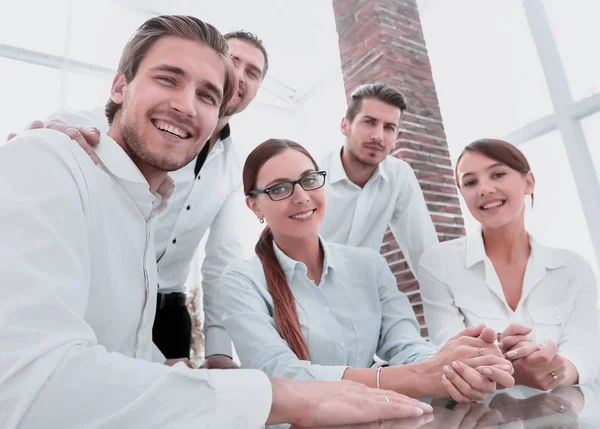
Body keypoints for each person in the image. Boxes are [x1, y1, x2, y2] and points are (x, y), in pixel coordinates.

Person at [0, 15, 433, 428]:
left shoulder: (151, 212)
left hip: (155, 311)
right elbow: (29, 381)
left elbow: (209, 267)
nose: (186, 105)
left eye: (208, 95)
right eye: (167, 78)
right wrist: (274, 395)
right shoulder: (57, 153)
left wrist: (200, 367)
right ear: (118, 86)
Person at [7, 30, 270, 368]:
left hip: (169, 308)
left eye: (253, 72)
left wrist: (218, 349)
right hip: (96, 293)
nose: (241, 76)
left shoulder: (237, 168)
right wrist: (36, 150)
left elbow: (221, 260)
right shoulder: (82, 128)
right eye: (234, 61)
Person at [217, 138, 515, 404]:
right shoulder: (241, 281)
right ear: (254, 205)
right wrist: (416, 377)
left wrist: (455, 367)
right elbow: (280, 375)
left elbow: (407, 345)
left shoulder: (369, 265)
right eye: (279, 188)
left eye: (309, 180)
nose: (301, 196)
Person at [418, 138, 600, 390]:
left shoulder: (573, 268)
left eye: (498, 174)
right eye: (470, 182)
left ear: (529, 182)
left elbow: (587, 347)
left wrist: (556, 371)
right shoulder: (438, 264)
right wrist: (508, 362)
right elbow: (448, 351)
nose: (484, 188)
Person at [318, 83, 438, 275]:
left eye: (389, 128)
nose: (378, 136)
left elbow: (424, 251)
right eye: (369, 122)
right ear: (345, 125)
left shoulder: (399, 175)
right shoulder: (312, 173)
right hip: (298, 290)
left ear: (397, 136)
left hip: (359, 292)